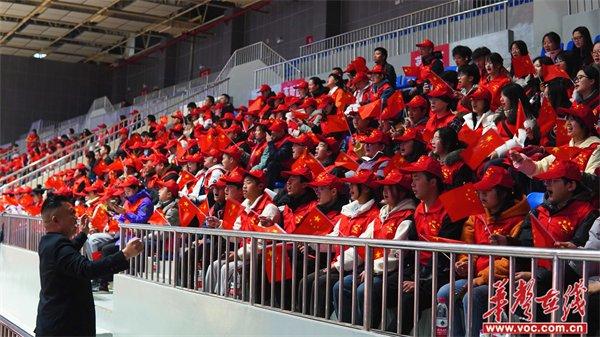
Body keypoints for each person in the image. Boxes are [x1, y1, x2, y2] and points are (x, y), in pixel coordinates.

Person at [35, 194, 144, 337]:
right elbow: (87, 269)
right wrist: (125, 254)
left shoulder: (48, 241)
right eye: (71, 213)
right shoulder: (58, 245)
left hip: (54, 324)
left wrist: (84, 233)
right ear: (56, 220)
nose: (76, 217)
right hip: (64, 328)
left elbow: (69, 252)